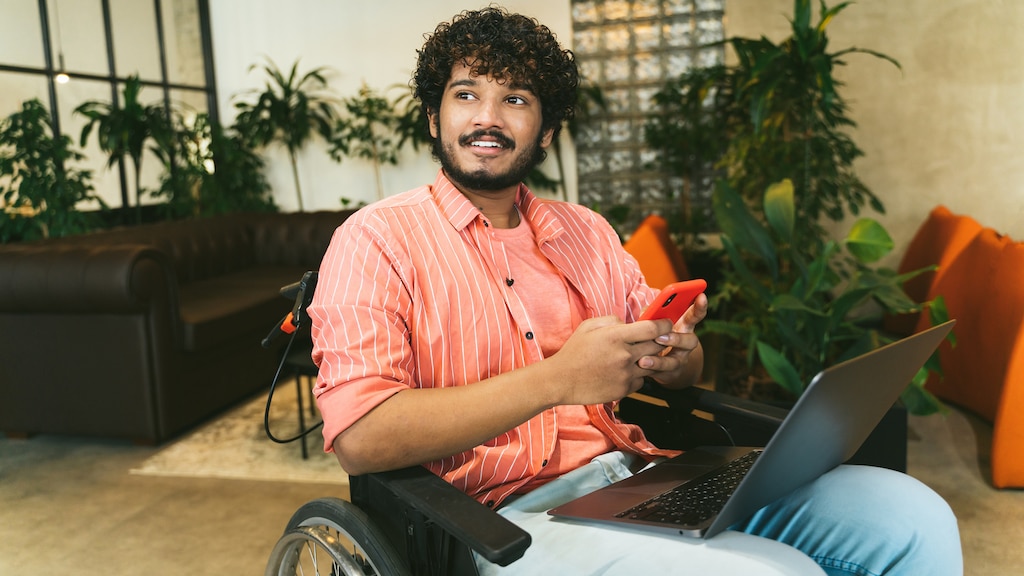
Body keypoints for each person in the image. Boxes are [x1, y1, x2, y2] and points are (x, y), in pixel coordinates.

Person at [309, 6, 962, 575]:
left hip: (639, 475)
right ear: (433, 117)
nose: (489, 117)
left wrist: (679, 355)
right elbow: (360, 436)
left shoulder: (586, 232)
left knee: (912, 517)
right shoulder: (376, 241)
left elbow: (675, 371)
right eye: (466, 94)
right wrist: (557, 380)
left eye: (515, 99)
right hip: (500, 525)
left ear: (548, 128)